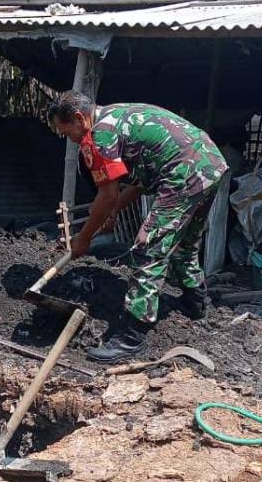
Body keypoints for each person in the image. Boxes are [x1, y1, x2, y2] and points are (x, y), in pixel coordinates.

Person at [48, 91, 228, 362]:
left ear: (79, 118)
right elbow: (140, 182)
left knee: (148, 247)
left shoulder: (100, 136)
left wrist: (83, 238)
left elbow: (107, 194)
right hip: (209, 164)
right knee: (186, 242)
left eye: (67, 132)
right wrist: (112, 212)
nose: (70, 139)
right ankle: (195, 303)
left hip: (185, 172)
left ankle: (133, 337)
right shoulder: (117, 116)